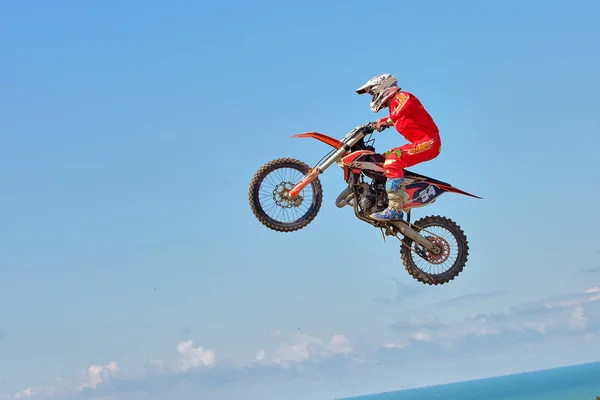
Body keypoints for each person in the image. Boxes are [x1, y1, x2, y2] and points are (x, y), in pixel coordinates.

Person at [356, 73, 442, 221]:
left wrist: (384, 122)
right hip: (417, 143)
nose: (373, 96)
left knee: (392, 162)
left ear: (383, 87)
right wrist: (371, 124)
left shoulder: (402, 97)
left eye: (373, 92)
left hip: (429, 142)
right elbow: (394, 116)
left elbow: (400, 111)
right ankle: (381, 198)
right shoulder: (393, 108)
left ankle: (395, 209)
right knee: (380, 160)